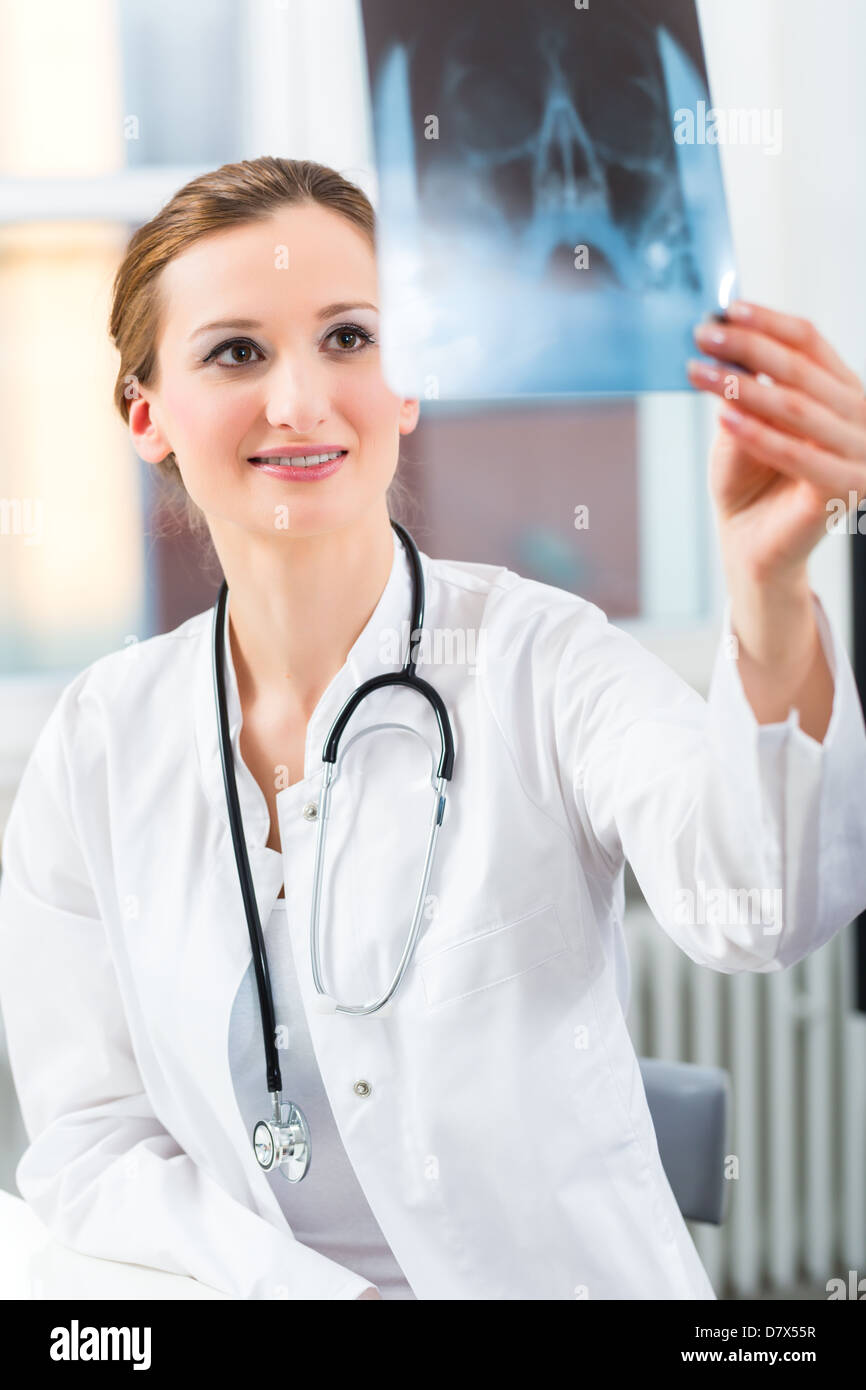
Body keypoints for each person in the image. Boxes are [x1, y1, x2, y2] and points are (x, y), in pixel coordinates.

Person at [1, 156, 865, 1302]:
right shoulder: (98, 744)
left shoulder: (540, 658)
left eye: (349, 338)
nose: (300, 400)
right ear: (145, 412)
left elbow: (758, 908)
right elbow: (92, 1141)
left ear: (409, 383)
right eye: (236, 350)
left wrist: (766, 593)